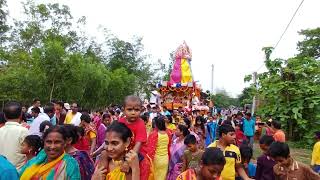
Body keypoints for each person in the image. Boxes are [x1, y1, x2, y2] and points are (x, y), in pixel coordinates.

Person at [118, 95, 149, 179]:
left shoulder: (140, 123)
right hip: (124, 152)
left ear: (141, 110)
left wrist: (128, 162)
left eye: (136, 110)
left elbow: (138, 145)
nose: (133, 112)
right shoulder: (120, 122)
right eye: (129, 109)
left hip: (138, 155)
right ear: (123, 110)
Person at [0, 101, 28, 169]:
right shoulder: (24, 131)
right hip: (18, 171)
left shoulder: (0, 130)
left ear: (4, 116)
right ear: (21, 115)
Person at [147, 116, 171, 180]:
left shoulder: (154, 134)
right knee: (163, 176)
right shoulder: (168, 133)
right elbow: (169, 146)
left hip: (156, 159)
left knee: (155, 176)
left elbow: (149, 148)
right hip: (165, 158)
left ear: (156, 124)